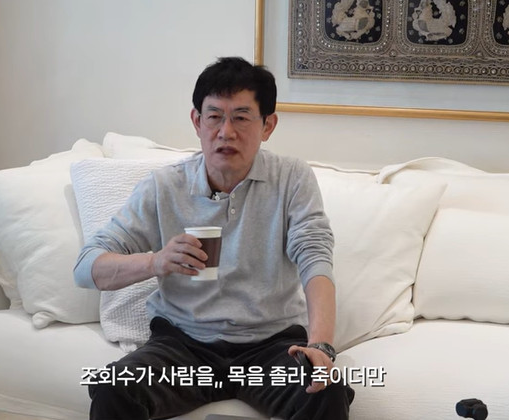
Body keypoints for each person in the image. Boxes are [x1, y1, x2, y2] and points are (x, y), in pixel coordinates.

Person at [73, 56, 354, 419]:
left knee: (325, 391)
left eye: (241, 117)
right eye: (214, 117)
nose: (226, 132)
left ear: (268, 125)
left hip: (271, 346)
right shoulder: (165, 186)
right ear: (197, 121)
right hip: (183, 346)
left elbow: (314, 257)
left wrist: (321, 346)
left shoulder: (291, 179)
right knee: (114, 387)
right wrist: (156, 261)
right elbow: (86, 267)